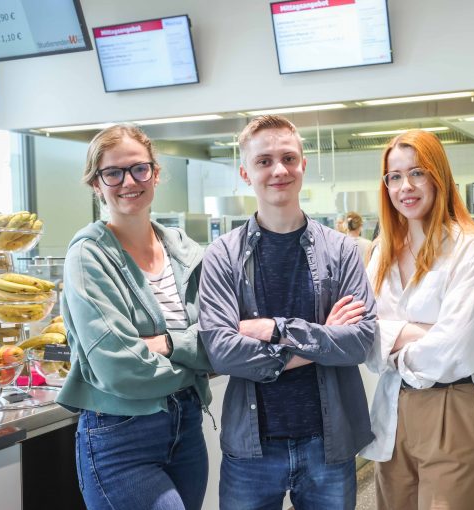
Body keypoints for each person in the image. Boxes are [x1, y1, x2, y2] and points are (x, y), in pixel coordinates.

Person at [198, 115, 376, 510]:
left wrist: (272, 328)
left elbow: (361, 341)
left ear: (303, 166)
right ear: (246, 172)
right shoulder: (223, 255)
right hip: (252, 449)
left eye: (288, 158)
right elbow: (222, 351)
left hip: (328, 445)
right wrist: (321, 338)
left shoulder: (341, 251)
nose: (278, 170)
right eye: (264, 161)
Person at [360, 129, 474, 510]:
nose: (405, 186)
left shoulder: (469, 247)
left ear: (438, 176)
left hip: (457, 406)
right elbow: (364, 339)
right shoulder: (382, 251)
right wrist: (423, 333)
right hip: (394, 409)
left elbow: (454, 352)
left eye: (417, 172)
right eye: (395, 176)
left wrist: (392, 340)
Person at [57, 124, 214, 510]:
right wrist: (193, 362)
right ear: (96, 184)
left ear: (155, 173)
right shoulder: (88, 256)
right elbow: (119, 368)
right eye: (113, 173)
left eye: (139, 169)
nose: (128, 181)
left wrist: (167, 344)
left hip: (187, 425)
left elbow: (220, 335)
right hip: (119, 433)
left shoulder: (184, 250)